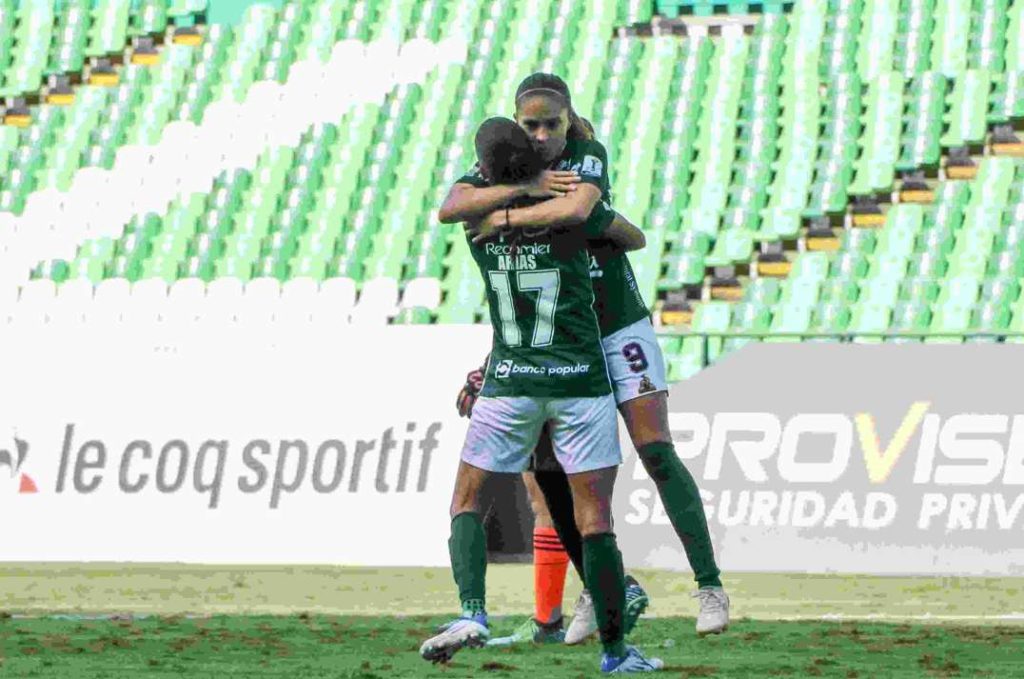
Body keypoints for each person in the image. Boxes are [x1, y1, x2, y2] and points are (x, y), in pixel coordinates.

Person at [448, 73, 731, 645]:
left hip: (615, 322)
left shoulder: (586, 155)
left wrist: (498, 218)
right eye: (532, 126)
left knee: (655, 449)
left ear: (570, 120)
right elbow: (455, 208)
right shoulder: (505, 170)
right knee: (554, 478)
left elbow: (579, 212)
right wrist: (523, 194)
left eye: (553, 122)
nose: (545, 133)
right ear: (518, 126)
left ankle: (709, 584)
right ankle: (605, 587)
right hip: (556, 338)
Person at [420, 116, 663, 674]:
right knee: (594, 518)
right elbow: (628, 236)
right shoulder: (569, 206)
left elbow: (450, 205)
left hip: (510, 383)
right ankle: (615, 653)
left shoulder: (476, 215)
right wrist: (557, 196)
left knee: (466, 501)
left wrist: (505, 206)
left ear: (484, 169)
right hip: (581, 382)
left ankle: (474, 611)